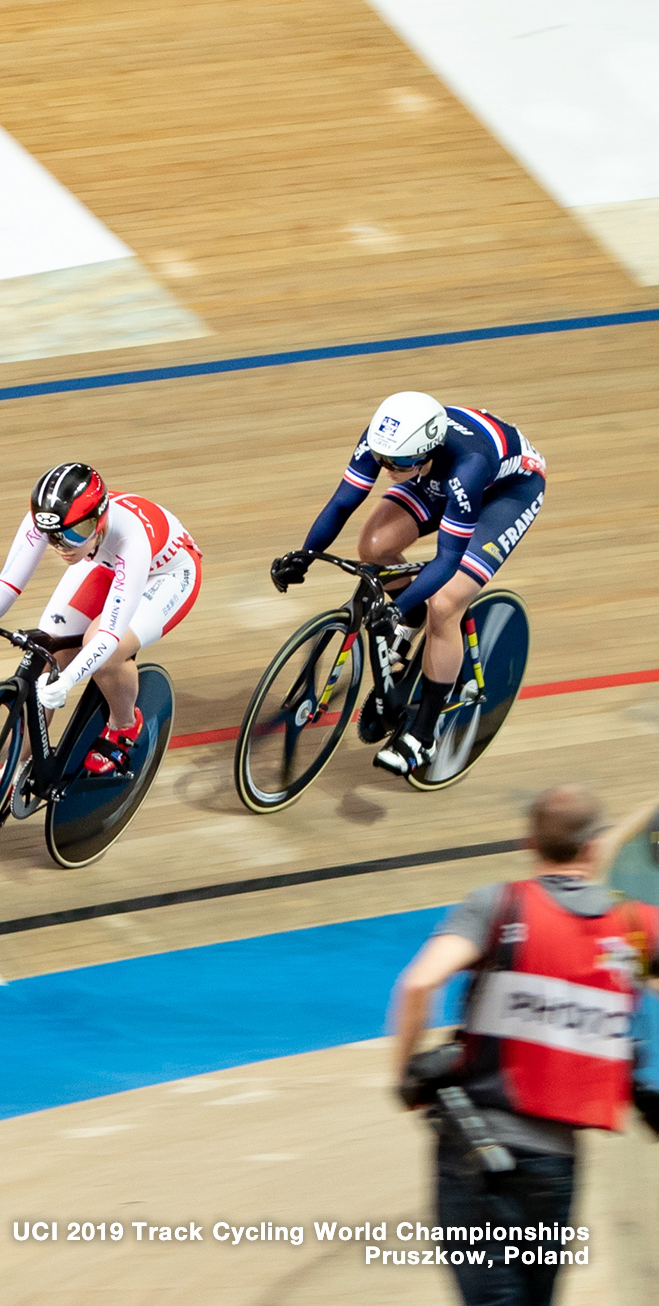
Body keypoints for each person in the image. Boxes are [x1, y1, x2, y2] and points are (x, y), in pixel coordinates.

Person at [391, 785, 659, 1306]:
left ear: (529, 842)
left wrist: (408, 1075)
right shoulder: (630, 931)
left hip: (478, 1151)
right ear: (596, 847)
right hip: (555, 1164)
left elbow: (419, 983)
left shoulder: (500, 906)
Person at [270, 392, 545, 776]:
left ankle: (424, 734)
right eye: (381, 459)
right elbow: (342, 503)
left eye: (395, 463)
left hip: (506, 492)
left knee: (447, 603)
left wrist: (393, 608)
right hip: (435, 476)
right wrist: (305, 555)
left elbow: (447, 560)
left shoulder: (468, 465)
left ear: (427, 450)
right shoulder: (388, 441)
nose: (385, 468)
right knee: (374, 546)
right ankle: (412, 613)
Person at [0, 464, 199, 788]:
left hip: (167, 575)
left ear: (99, 521)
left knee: (106, 650)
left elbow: (107, 635)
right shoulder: (54, 523)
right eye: (53, 536)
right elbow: (8, 583)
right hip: (102, 562)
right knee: (50, 649)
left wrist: (71, 680)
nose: (62, 545)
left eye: (74, 533)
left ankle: (124, 724)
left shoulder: (130, 538)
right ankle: (14, 766)